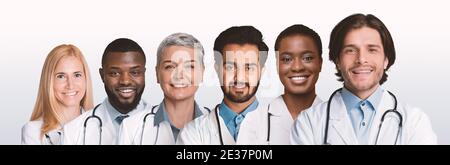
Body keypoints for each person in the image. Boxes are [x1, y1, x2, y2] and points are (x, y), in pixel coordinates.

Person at [290, 13, 437, 145]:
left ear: (386, 59)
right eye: (350, 50)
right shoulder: (309, 122)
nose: (361, 59)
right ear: (337, 61)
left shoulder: (414, 122)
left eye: (372, 49)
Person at [177, 26, 268, 145]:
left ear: (261, 71)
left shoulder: (283, 129)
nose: (239, 78)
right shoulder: (193, 133)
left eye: (249, 68)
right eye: (230, 67)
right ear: (217, 69)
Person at [237, 24, 323, 145]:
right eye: (287, 59)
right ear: (277, 65)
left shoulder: (338, 119)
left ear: (320, 63)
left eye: (307, 58)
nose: (297, 67)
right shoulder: (254, 122)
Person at [118, 33, 210, 145]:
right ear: (157, 74)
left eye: (189, 66)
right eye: (170, 67)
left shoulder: (219, 124)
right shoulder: (131, 128)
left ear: (202, 73)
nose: (179, 75)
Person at [63, 38, 149, 145]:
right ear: (102, 75)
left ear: (144, 73)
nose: (125, 81)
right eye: (114, 73)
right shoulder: (73, 131)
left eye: (135, 72)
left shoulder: (168, 127)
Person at [22, 44, 94, 145]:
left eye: (77, 75)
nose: (70, 85)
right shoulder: (33, 131)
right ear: (49, 81)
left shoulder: (102, 126)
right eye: (61, 76)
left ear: (86, 79)